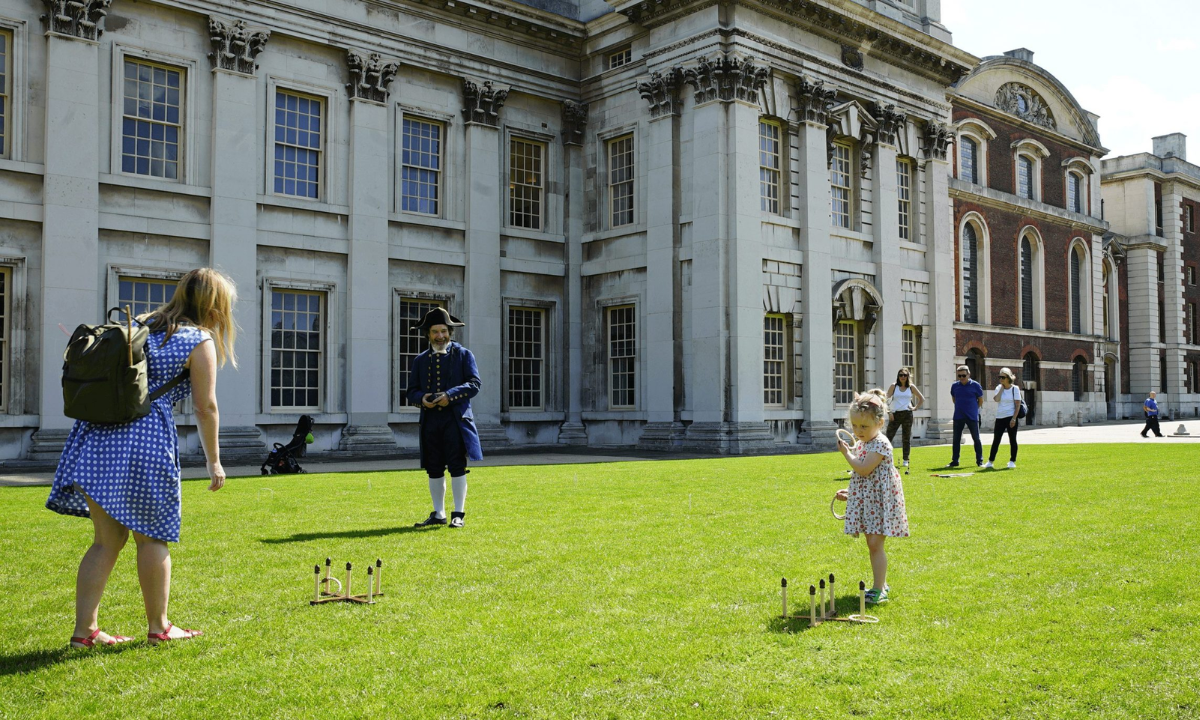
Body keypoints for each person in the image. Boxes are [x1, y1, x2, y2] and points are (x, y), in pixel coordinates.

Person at [46, 268, 236, 648]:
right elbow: (205, 407)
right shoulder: (199, 340)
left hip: (96, 436)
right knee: (152, 539)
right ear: (215, 305)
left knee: (105, 541)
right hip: (145, 440)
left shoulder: (141, 324)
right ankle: (160, 627)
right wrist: (214, 460)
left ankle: (85, 632)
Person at [406, 307, 482, 529]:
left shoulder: (464, 355)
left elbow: (475, 384)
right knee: (434, 467)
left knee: (457, 466)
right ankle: (438, 513)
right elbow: (411, 392)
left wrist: (450, 395)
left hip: (455, 420)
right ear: (428, 334)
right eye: (435, 332)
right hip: (430, 421)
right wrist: (423, 398)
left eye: (443, 331)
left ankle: (458, 514)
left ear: (450, 332)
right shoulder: (420, 361)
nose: (440, 336)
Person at [835, 390, 909, 605]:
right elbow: (864, 478)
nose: (858, 431)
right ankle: (880, 584)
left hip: (881, 501)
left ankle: (879, 589)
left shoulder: (880, 444)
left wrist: (846, 454)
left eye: (864, 427)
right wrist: (851, 494)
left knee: (876, 543)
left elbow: (864, 469)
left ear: (880, 422)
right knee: (872, 543)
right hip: (870, 499)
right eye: (855, 426)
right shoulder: (863, 442)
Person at [885, 368, 924, 469]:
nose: (902, 377)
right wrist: (889, 412)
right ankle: (885, 458)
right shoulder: (894, 386)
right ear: (898, 376)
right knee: (888, 437)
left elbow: (921, 398)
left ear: (908, 376)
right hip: (895, 414)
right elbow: (885, 399)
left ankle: (906, 459)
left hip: (907, 414)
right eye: (901, 375)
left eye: (905, 375)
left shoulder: (911, 387)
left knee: (906, 438)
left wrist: (915, 408)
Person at [984, 367, 1022, 469]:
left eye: (1003, 377)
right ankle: (990, 461)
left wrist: (1014, 418)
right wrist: (1002, 387)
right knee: (996, 439)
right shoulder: (998, 388)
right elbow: (996, 399)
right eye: (999, 377)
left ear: (1008, 377)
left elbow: (1017, 405)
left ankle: (1012, 461)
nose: (1001, 379)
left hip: (1011, 417)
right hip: (1000, 417)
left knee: (1012, 439)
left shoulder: (1015, 389)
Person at [948, 364, 984, 468]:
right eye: (959, 376)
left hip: (972, 416)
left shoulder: (976, 385)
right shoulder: (955, 386)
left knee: (976, 438)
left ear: (969, 374)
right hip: (958, 416)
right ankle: (955, 461)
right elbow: (954, 398)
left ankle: (979, 461)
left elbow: (980, 400)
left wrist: (974, 409)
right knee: (956, 439)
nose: (962, 378)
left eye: (963, 375)